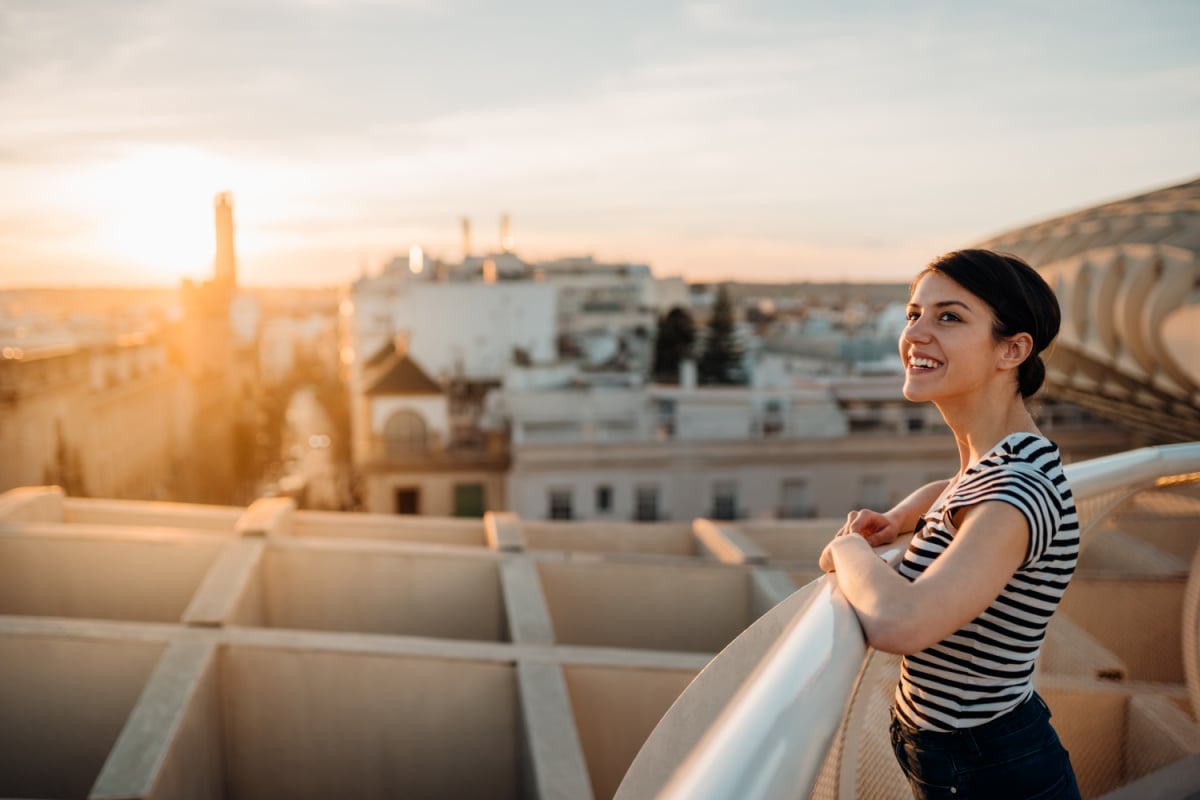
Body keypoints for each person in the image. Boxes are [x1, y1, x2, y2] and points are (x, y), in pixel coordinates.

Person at [820, 249, 1081, 799]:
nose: (916, 333)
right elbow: (956, 489)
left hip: (994, 769)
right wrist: (898, 519)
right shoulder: (1000, 461)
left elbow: (904, 624)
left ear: (1012, 350)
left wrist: (849, 549)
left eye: (949, 317)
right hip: (970, 754)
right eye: (914, 313)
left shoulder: (1016, 487)